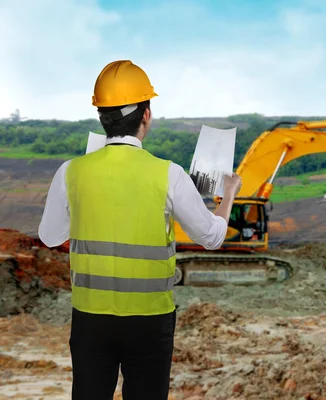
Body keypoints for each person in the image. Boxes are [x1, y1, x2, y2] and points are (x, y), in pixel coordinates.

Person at [38, 60, 242, 400]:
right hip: (150, 321)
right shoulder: (169, 174)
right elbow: (211, 237)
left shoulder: (70, 172)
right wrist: (230, 193)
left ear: (101, 115)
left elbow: (50, 236)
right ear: (145, 115)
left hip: (90, 318)